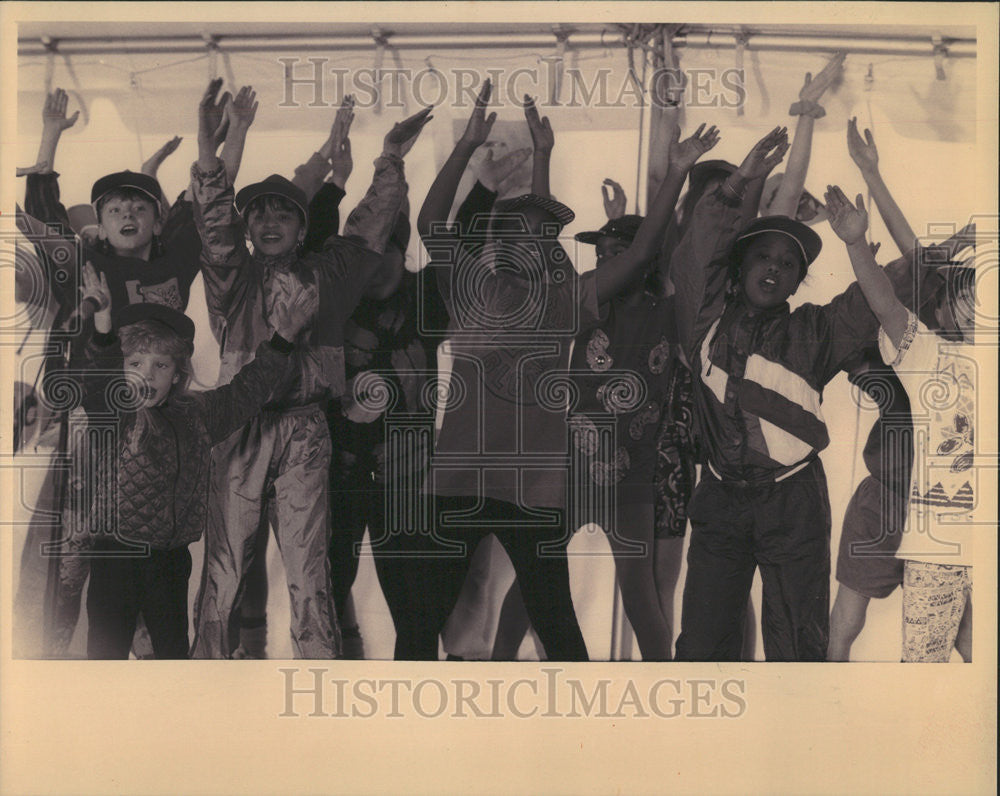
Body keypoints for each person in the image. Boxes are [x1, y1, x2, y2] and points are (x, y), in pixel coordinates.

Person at [188, 80, 425, 659]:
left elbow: (371, 223)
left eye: (283, 213)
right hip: (240, 430)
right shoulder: (231, 276)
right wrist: (210, 149)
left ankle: (319, 697)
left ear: (301, 225)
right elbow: (214, 221)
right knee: (222, 572)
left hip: (306, 433)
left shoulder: (329, 274)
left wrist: (391, 156)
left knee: (310, 572)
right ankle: (199, 692)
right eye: (260, 214)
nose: (269, 222)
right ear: (249, 228)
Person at [671, 125, 886, 662]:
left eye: (787, 265)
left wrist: (857, 243)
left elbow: (884, 297)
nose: (774, 269)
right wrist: (741, 180)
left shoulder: (816, 328)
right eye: (763, 257)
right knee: (700, 645)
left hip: (794, 503)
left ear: (797, 283)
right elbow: (698, 253)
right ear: (740, 267)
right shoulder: (705, 319)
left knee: (797, 648)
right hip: (719, 498)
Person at [74, 263, 317, 658]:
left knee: (172, 657)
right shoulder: (115, 411)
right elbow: (98, 383)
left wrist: (284, 338)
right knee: (105, 660)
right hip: (115, 557)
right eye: (135, 364)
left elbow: (247, 390)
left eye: (160, 366)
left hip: (170, 561)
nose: (146, 376)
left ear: (177, 373)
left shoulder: (199, 414)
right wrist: (103, 326)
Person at [565, 123, 719, 661]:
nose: (603, 261)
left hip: (635, 472)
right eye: (599, 252)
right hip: (574, 464)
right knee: (537, 582)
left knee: (643, 593)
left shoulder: (667, 310)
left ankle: (662, 687)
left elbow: (660, 250)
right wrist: (618, 221)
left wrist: (677, 172)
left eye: (615, 252)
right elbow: (628, 259)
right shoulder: (584, 302)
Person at [824, 185, 977, 663]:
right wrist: (855, 241)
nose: (977, 309)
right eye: (966, 298)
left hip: (952, 523)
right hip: (887, 497)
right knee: (845, 624)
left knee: (969, 641)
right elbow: (891, 293)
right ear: (945, 306)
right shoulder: (926, 351)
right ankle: (827, 690)